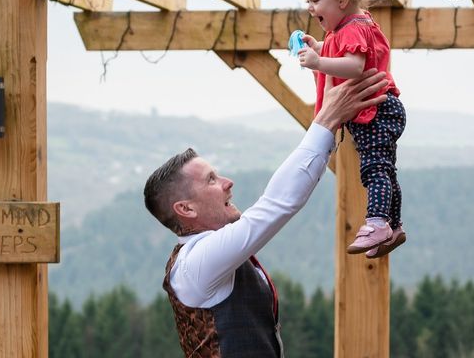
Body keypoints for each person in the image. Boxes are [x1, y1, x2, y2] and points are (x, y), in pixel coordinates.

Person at [144, 69, 389, 358]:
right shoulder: (196, 262)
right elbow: (276, 205)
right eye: (211, 179)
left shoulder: (205, 259)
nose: (227, 182)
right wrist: (325, 121)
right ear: (186, 209)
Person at [297, 0, 407, 259]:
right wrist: (320, 48)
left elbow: (354, 65)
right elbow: (343, 54)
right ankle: (393, 226)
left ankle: (376, 223)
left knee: (375, 170)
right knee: (384, 169)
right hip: (378, 111)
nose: (310, 7)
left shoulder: (354, 28)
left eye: (315, 0)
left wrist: (319, 61)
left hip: (378, 111)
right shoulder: (345, 30)